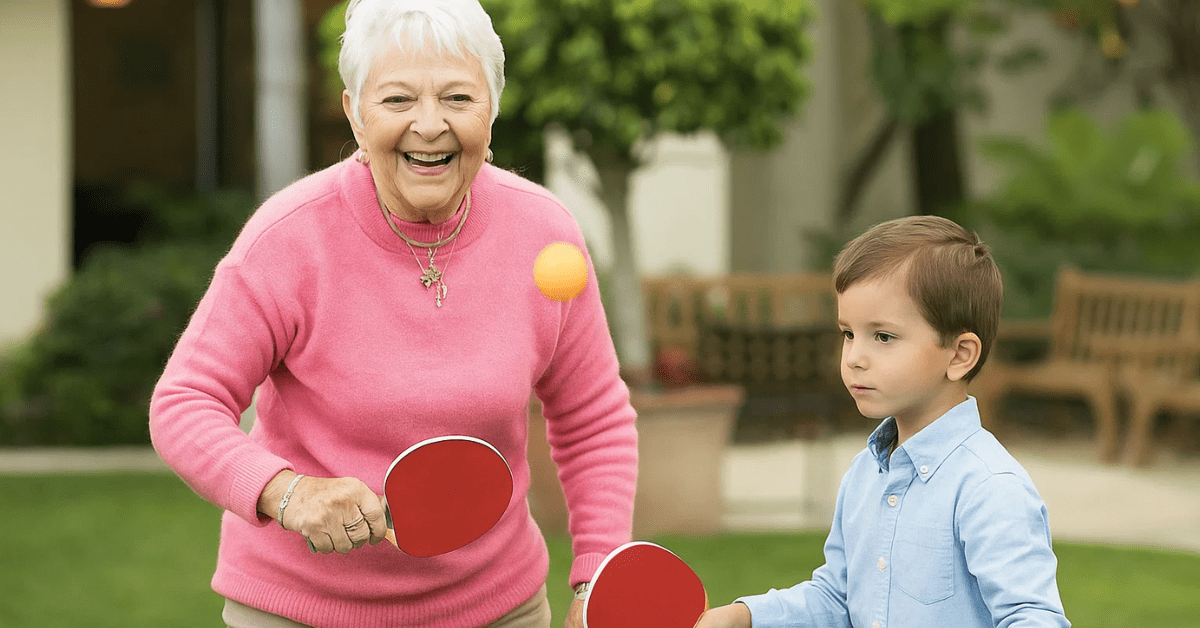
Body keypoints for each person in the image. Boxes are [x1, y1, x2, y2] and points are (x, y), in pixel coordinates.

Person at [148, 1, 637, 626]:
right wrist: (286, 492)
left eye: (458, 98)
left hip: (497, 608)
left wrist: (597, 572)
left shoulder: (544, 232)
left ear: (492, 107)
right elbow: (185, 402)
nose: (429, 126)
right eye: (398, 100)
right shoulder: (288, 241)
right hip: (300, 611)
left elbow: (592, 417)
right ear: (354, 113)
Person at [696, 215, 1070, 628]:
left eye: (883, 337)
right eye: (848, 333)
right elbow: (837, 598)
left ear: (960, 354)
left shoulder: (990, 488)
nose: (855, 356)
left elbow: (1033, 619)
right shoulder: (863, 476)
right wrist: (746, 616)